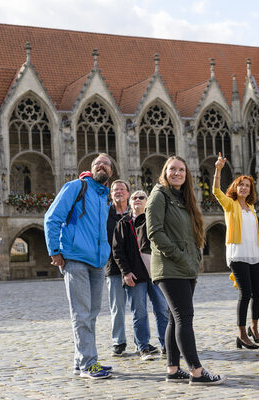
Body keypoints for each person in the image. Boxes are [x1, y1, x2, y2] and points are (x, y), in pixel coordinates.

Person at [146, 156, 227, 385]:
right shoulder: (159, 195)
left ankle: (173, 370)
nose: (177, 173)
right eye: (172, 169)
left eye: (181, 170)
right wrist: (180, 256)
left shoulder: (182, 198)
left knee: (174, 319)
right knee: (184, 318)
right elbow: (155, 233)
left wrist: (194, 257)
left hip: (184, 267)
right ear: (165, 171)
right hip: (170, 267)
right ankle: (197, 372)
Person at [44, 153, 113, 379]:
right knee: (81, 314)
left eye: (106, 164)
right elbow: (52, 218)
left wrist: (106, 255)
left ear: (111, 172)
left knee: (91, 314)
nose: (102, 166)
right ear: (91, 168)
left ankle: (80, 360)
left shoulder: (104, 197)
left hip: (97, 263)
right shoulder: (77, 186)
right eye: (97, 163)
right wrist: (55, 251)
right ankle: (88, 365)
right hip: (75, 259)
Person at [212, 152, 259, 349]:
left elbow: (249, 231)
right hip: (238, 254)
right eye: (241, 184)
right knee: (245, 294)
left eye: (247, 185)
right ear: (235, 187)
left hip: (254, 254)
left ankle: (254, 327)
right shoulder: (230, 204)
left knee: (258, 294)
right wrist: (218, 169)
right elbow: (216, 191)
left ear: (250, 189)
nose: (244, 187)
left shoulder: (252, 207)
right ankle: (242, 334)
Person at [112, 189, 169, 361]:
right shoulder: (123, 223)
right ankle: (143, 347)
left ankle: (167, 346)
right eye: (134, 197)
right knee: (140, 313)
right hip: (135, 275)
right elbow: (117, 251)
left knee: (162, 310)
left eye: (141, 197)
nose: (137, 199)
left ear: (147, 201)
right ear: (130, 202)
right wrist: (126, 272)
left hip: (156, 274)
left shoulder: (155, 221)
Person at [104, 180, 133, 357]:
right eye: (115, 190)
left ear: (128, 193)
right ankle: (119, 341)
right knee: (117, 306)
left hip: (135, 266)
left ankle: (142, 342)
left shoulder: (135, 211)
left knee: (139, 307)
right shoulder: (105, 213)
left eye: (122, 189)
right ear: (111, 194)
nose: (119, 192)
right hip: (113, 266)